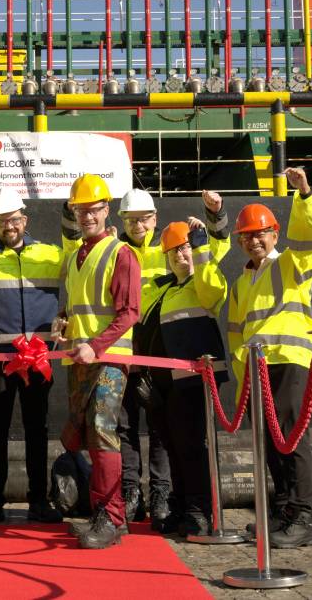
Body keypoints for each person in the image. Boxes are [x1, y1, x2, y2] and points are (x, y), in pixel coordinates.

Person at [228, 167, 312, 548]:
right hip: (258, 370)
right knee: (271, 442)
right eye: (247, 235)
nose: (254, 240)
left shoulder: (292, 264)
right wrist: (243, 382)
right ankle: (283, 512)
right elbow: (237, 334)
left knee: (291, 437)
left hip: (288, 358)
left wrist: (305, 196)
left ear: (275, 234)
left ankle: (302, 516)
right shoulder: (241, 283)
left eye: (261, 233)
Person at [0, 189, 77, 526]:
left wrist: (69, 211)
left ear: (25, 220)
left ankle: (39, 502)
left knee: (37, 429)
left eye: (14, 219)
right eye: (2, 221)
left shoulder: (49, 254)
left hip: (38, 358)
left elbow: (77, 255)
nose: (9, 226)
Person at [132, 190, 231, 540]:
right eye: (174, 251)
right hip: (162, 383)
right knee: (173, 445)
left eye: (185, 248)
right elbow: (138, 322)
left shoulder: (205, 281)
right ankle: (181, 504)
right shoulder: (160, 289)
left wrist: (203, 244)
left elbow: (211, 291)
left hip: (193, 381)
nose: (180, 255)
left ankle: (199, 511)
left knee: (192, 446)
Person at [52, 174, 141, 549]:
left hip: (109, 359)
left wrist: (97, 345)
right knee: (86, 434)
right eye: (81, 210)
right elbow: (79, 307)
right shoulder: (76, 256)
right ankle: (104, 512)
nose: (87, 216)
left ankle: (111, 517)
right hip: (80, 358)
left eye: (94, 209)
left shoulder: (121, 253)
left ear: (107, 210)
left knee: (103, 430)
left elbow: (130, 312)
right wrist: (63, 322)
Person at [115, 188, 171, 528]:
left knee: (160, 427)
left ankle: (161, 493)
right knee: (124, 426)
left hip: (159, 353)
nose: (139, 225)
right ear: (123, 221)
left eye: (144, 219)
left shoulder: (168, 249)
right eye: (132, 219)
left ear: (155, 218)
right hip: (123, 351)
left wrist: (215, 221)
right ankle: (131, 492)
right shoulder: (113, 251)